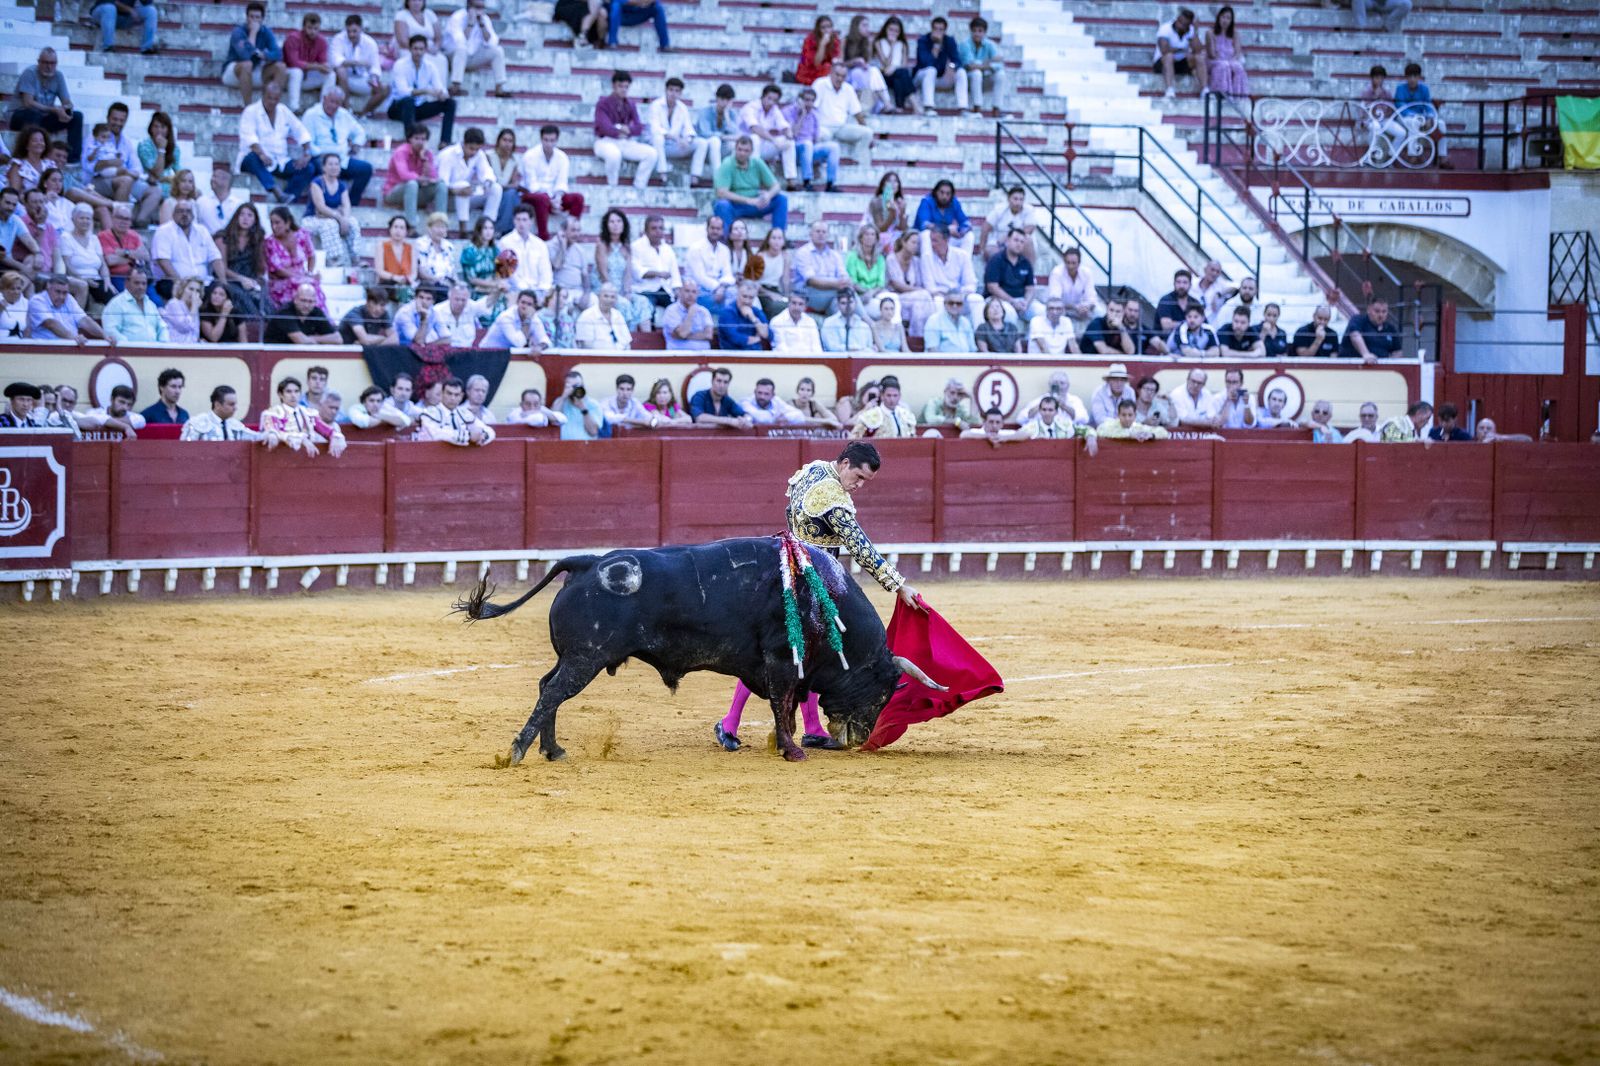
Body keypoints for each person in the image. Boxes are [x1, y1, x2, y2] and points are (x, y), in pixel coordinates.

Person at [714, 440, 923, 754]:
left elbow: (789, 512)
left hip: (793, 571)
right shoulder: (832, 496)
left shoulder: (814, 469)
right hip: (807, 581)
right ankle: (729, 722)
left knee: (812, 653)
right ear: (845, 463)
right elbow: (860, 547)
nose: (859, 485)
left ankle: (811, 728)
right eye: (859, 477)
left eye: (866, 481)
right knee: (778, 653)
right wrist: (897, 585)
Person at [388, 34, 458, 146]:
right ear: (410, 49)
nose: (418, 52)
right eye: (415, 49)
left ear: (425, 50)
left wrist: (442, 94)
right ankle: (410, 142)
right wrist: (426, 91)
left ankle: (445, 142)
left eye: (421, 49)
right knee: (408, 101)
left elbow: (439, 87)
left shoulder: (430, 67)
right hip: (398, 108)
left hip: (418, 108)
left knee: (450, 103)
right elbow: (403, 92)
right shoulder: (400, 65)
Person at [594, 70, 658, 190]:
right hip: (605, 141)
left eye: (626, 87)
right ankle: (613, 186)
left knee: (651, 154)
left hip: (625, 142)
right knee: (614, 155)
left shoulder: (630, 104)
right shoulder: (602, 104)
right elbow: (605, 128)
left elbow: (639, 128)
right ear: (613, 86)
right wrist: (621, 129)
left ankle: (639, 186)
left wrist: (626, 129)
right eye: (620, 86)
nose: (623, 89)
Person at [519, 125, 585, 240]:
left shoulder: (562, 157)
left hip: (553, 198)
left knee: (578, 198)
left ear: (557, 140)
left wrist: (558, 198)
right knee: (542, 198)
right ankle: (544, 236)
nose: (549, 144)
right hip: (533, 196)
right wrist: (551, 200)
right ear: (541, 139)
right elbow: (532, 185)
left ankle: (571, 232)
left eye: (552, 140)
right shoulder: (529, 156)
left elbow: (562, 182)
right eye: (546, 140)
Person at [713, 136, 788, 233]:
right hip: (735, 206)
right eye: (739, 150)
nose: (742, 153)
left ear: (751, 151)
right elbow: (721, 193)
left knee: (781, 199)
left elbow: (776, 186)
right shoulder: (727, 163)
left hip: (755, 204)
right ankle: (727, 241)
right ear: (735, 149)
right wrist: (748, 201)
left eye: (746, 150)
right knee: (721, 205)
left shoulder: (757, 162)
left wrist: (768, 196)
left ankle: (779, 236)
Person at [437, 127, 501, 236]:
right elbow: (441, 184)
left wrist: (487, 183)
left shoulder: (479, 154)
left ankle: (486, 226)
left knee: (496, 188)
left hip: (466, 197)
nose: (474, 152)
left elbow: (487, 173)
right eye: (471, 148)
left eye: (477, 149)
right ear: (464, 144)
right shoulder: (448, 155)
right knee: (463, 185)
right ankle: (463, 229)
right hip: (447, 199)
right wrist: (457, 191)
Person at [812, 66, 872, 182]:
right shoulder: (820, 84)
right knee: (821, 135)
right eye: (837, 75)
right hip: (823, 126)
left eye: (843, 76)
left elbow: (857, 112)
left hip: (841, 127)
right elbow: (812, 109)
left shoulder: (848, 88)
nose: (839, 78)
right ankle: (816, 167)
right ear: (831, 73)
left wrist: (867, 130)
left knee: (867, 133)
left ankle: (860, 167)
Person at [223, 2, 287, 109]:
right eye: (251, 17)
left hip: (255, 70)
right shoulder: (238, 32)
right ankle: (249, 109)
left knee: (281, 67)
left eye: (257, 17)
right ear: (247, 17)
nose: (254, 20)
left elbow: (278, 54)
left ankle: (269, 106)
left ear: (262, 19)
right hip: (234, 71)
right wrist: (253, 33)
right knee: (247, 64)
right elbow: (246, 56)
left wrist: (265, 55)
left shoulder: (266, 32)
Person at [260, 376, 343, 456]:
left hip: (308, 457)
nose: (293, 395)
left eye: (296, 391)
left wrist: (335, 437)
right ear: (280, 394)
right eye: (288, 392)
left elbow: (326, 430)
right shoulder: (274, 413)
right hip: (282, 457)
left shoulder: (308, 413)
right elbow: (273, 431)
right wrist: (302, 439)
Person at [384, 124, 449, 225]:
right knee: (412, 184)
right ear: (410, 139)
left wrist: (425, 160)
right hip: (394, 191)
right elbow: (404, 175)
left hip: (416, 192)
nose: (420, 142)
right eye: (416, 138)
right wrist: (420, 179)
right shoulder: (401, 152)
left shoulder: (427, 154)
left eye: (423, 139)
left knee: (441, 185)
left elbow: (434, 177)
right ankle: (411, 225)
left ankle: (441, 224)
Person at [304, 153, 360, 268]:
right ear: (324, 167)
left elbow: (346, 205)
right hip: (312, 219)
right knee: (330, 224)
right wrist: (339, 217)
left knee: (353, 222)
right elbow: (320, 207)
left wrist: (345, 219)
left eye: (336, 164)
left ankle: (355, 258)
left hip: (331, 217)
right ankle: (335, 260)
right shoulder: (317, 183)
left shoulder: (342, 185)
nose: (334, 167)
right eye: (330, 164)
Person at [444, 0, 510, 98]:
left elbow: (492, 42)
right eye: (478, 7)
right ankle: (455, 86)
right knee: (461, 49)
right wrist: (470, 24)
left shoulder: (485, 19)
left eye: (482, 7)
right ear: (469, 6)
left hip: (472, 57)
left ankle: (499, 88)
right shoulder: (457, 17)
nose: (481, 10)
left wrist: (482, 25)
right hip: (453, 56)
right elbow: (460, 41)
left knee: (498, 51)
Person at [263, 205, 323, 312]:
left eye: (277, 223)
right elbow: (277, 269)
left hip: (302, 278)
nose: (274, 226)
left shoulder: (302, 234)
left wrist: (309, 273)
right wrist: (302, 278)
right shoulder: (269, 242)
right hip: (280, 282)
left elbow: (311, 256)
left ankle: (319, 322)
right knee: (301, 287)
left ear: (288, 223)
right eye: (272, 223)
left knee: (311, 288)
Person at [330, 15, 390, 118]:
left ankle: (363, 114)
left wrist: (373, 78)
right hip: (342, 80)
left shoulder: (370, 43)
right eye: (349, 31)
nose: (351, 34)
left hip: (362, 78)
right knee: (341, 71)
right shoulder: (338, 39)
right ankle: (346, 111)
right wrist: (357, 63)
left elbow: (375, 67)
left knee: (385, 88)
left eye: (354, 31)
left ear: (361, 29)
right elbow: (336, 61)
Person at [739, 84, 797, 184]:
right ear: (763, 97)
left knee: (789, 142)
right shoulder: (750, 107)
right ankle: (753, 176)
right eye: (769, 98)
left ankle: (791, 180)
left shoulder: (774, 109)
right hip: (744, 146)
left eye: (775, 100)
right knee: (754, 138)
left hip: (763, 146)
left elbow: (783, 125)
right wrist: (773, 140)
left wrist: (788, 133)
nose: (771, 103)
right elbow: (755, 128)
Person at [29, 274, 111, 344]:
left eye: (64, 293)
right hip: (45, 350)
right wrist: (74, 338)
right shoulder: (37, 300)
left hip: (70, 347)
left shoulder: (69, 298)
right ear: (48, 287)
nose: (61, 296)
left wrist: (104, 335)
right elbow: (51, 324)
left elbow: (84, 320)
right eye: (57, 292)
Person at [629, 213, 681, 322]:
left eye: (661, 228)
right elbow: (637, 272)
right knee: (648, 310)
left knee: (678, 309)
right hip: (644, 290)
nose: (658, 231)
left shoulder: (667, 249)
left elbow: (675, 274)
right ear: (646, 231)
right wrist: (658, 273)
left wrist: (677, 290)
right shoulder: (636, 247)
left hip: (665, 290)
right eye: (654, 228)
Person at [417, 376, 495, 446]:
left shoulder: (464, 414)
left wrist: (482, 436)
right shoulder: (429, 413)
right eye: (449, 393)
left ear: (461, 396)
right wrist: (469, 436)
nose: (452, 398)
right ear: (442, 394)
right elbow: (437, 434)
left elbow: (490, 431)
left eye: (456, 395)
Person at [499, 204, 553, 302]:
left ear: (531, 221)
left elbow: (545, 272)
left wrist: (543, 291)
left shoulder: (540, 244)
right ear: (514, 221)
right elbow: (505, 272)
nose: (521, 223)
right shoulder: (505, 242)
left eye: (524, 220)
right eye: (518, 219)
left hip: (538, 292)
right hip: (514, 292)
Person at [647, 77, 696, 184]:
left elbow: (689, 129)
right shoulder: (656, 105)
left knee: (701, 143)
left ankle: (695, 176)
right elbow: (655, 129)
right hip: (657, 146)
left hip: (674, 146)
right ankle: (662, 172)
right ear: (666, 90)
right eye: (671, 90)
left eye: (677, 91)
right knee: (658, 138)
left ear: (680, 93)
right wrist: (676, 138)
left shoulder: (682, 108)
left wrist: (687, 140)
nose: (673, 93)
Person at [98, 266, 167, 343]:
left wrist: (162, 345)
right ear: (126, 283)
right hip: (127, 352)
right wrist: (129, 346)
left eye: (143, 283)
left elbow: (162, 327)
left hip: (153, 352)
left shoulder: (151, 305)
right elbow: (110, 330)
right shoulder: (116, 304)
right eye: (136, 283)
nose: (141, 287)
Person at [782, 87, 831, 194]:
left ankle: (831, 183)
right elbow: (793, 134)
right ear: (799, 100)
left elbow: (816, 139)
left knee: (832, 147)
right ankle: (807, 181)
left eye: (812, 101)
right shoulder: (787, 111)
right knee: (807, 144)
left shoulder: (815, 115)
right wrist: (802, 115)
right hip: (792, 148)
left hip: (808, 149)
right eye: (806, 100)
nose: (809, 103)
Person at [914, 17, 966, 115]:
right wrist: (936, 47)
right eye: (935, 28)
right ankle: (928, 107)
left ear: (945, 30)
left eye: (940, 29)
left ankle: (963, 108)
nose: (938, 31)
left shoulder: (949, 41)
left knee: (961, 72)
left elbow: (957, 61)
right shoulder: (923, 40)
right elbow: (925, 63)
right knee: (931, 70)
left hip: (942, 77)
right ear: (931, 28)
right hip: (922, 77)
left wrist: (951, 67)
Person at [692, 84, 740, 190]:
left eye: (728, 100)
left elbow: (736, 134)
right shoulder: (706, 112)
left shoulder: (731, 114)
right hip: (706, 147)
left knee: (734, 145)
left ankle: (733, 178)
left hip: (721, 148)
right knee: (715, 141)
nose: (724, 103)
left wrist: (727, 116)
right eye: (722, 99)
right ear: (717, 98)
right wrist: (723, 137)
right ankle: (718, 179)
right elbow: (704, 133)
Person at [282, 12, 331, 112]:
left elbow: (323, 62)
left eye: (316, 28)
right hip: (289, 76)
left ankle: (323, 108)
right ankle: (294, 107)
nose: (312, 31)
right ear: (303, 27)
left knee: (331, 74)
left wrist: (325, 66)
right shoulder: (293, 38)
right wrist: (317, 67)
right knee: (297, 72)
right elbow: (294, 62)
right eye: (309, 28)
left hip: (308, 75)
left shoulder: (321, 41)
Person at [843, 16, 892, 114]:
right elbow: (840, 63)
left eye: (868, 25)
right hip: (848, 72)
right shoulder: (845, 40)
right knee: (858, 73)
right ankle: (880, 104)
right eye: (864, 25)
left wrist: (869, 45)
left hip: (862, 72)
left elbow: (867, 62)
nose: (867, 28)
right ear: (856, 26)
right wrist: (854, 62)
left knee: (874, 71)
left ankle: (885, 103)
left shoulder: (867, 41)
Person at [1153, 7, 1205, 99]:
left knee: (1199, 58)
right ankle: (1169, 89)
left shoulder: (1190, 30)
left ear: (1188, 25)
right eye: (1179, 21)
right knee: (1169, 56)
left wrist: (1195, 33)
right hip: (1162, 63)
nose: (1179, 24)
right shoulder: (1165, 29)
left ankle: (1205, 90)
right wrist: (1181, 50)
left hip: (1180, 62)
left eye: (1184, 24)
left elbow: (1198, 50)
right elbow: (1164, 50)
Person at [265, 281, 339, 344]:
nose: (306, 305)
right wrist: (322, 339)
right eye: (303, 300)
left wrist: (313, 338)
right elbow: (302, 341)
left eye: (310, 301)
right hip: (275, 354)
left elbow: (338, 339)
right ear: (295, 299)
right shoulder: (285, 312)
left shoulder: (316, 312)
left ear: (315, 302)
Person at [958, 17, 1005, 116]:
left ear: (984, 32)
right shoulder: (965, 44)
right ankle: (977, 107)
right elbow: (970, 65)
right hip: (968, 80)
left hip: (984, 79)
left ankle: (996, 109)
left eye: (980, 31)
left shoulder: (989, 44)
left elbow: (999, 65)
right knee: (976, 73)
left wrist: (982, 64)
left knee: (1000, 75)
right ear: (971, 31)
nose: (977, 34)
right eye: (974, 31)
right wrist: (988, 62)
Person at [181, 386, 261, 441]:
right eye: (231, 404)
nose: (235, 408)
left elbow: (255, 437)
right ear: (217, 405)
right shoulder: (197, 423)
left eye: (235, 404)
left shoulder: (234, 424)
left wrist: (271, 434)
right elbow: (184, 450)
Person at [873, 17, 916, 113]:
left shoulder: (902, 44)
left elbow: (904, 65)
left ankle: (899, 107)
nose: (893, 33)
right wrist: (892, 46)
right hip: (884, 75)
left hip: (897, 74)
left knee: (900, 76)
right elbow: (885, 64)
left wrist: (895, 67)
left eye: (896, 31)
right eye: (891, 30)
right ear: (886, 29)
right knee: (901, 74)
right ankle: (914, 103)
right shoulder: (879, 42)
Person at [481, 288, 549, 350]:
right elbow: (519, 343)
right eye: (523, 302)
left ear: (534, 306)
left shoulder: (534, 318)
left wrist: (540, 347)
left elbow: (544, 339)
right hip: (487, 354)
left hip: (506, 356)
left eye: (529, 304)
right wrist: (527, 320)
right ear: (517, 302)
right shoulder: (506, 317)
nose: (525, 307)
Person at [852, 375, 916, 439]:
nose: (892, 399)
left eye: (895, 395)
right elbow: (855, 437)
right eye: (889, 395)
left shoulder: (906, 414)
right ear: (882, 396)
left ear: (900, 396)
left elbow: (913, 438)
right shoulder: (870, 415)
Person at [432, 279, 492, 346]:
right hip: (444, 352)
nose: (460, 303)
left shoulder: (471, 306)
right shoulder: (437, 311)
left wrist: (497, 291)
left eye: (463, 300)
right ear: (449, 296)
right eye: (457, 299)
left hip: (467, 352)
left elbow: (487, 303)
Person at [1341, 297, 1401, 363]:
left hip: (1381, 370)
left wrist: (1389, 363)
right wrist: (1366, 354)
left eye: (1384, 312)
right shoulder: (1358, 320)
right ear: (1369, 310)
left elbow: (1397, 351)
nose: (1380, 315)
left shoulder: (1390, 328)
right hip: (1353, 367)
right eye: (1377, 311)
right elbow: (1355, 335)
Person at [1205, 6, 1248, 98]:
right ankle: (1222, 94)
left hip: (1230, 60)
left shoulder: (1235, 34)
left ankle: (1238, 96)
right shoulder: (1210, 33)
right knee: (1224, 66)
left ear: (1231, 21)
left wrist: (1232, 61)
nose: (1225, 20)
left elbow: (1237, 52)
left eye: (1228, 18)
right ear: (1218, 18)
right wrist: (1226, 62)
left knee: (1238, 67)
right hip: (1214, 61)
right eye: (1223, 17)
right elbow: (1212, 54)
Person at [575, 283, 632, 349]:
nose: (609, 300)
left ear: (616, 299)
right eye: (606, 296)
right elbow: (587, 345)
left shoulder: (618, 315)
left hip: (620, 356)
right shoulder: (586, 316)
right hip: (596, 357)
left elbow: (627, 341)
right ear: (599, 296)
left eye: (612, 297)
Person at [915, 179, 972, 246]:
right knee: (926, 234)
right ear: (936, 192)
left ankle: (965, 257)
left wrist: (960, 231)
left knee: (969, 235)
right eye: (942, 192)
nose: (944, 196)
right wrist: (946, 229)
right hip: (925, 240)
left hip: (944, 238)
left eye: (948, 194)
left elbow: (966, 223)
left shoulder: (954, 202)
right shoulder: (927, 202)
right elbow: (924, 225)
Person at [718, 279, 770, 351]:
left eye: (751, 297)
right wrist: (757, 338)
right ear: (738, 294)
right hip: (732, 356)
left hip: (755, 355)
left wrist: (753, 317)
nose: (747, 301)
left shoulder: (756, 312)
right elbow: (734, 338)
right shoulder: (727, 312)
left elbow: (766, 334)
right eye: (744, 296)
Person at [92, 0, 159, 56]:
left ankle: (147, 48)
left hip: (123, 17)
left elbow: (147, 2)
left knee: (151, 11)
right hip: (102, 13)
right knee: (110, 8)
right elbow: (111, 1)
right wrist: (129, 10)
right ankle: (108, 47)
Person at [662, 282, 714, 350]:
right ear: (680, 292)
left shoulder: (704, 311)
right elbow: (683, 333)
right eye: (687, 291)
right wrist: (690, 314)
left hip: (704, 355)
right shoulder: (671, 310)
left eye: (694, 292)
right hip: (678, 355)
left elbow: (708, 335)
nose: (690, 295)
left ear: (698, 294)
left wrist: (684, 336)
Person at [554, 370, 604, 440]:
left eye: (578, 386)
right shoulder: (561, 402)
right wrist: (563, 397)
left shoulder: (593, 404)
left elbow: (593, 431)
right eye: (572, 387)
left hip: (585, 447)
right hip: (563, 447)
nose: (576, 389)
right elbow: (553, 420)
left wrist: (583, 408)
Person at [1098, 398, 1170, 441]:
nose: (1127, 418)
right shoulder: (1110, 425)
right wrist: (1129, 435)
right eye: (1123, 415)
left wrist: (1151, 435)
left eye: (1130, 415)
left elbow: (1164, 432)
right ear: (1118, 415)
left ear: (1135, 416)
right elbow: (1099, 431)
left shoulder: (1138, 427)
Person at [797, 16, 841, 85]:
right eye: (823, 28)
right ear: (818, 29)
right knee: (827, 67)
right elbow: (816, 63)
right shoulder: (809, 40)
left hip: (828, 70)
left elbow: (837, 59)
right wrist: (822, 45)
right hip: (809, 72)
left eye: (829, 27)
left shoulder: (835, 40)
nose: (827, 30)